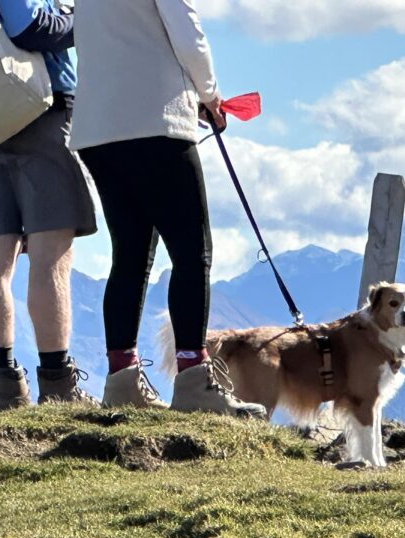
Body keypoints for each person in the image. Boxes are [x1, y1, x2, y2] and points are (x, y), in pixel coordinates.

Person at [69, 0, 267, 418]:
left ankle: (121, 378)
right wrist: (209, 95)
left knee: (131, 254)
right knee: (193, 252)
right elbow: (187, 33)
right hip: (156, 121)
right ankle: (194, 378)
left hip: (96, 128)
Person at [0, 0, 98, 413]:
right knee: (50, 254)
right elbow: (29, 27)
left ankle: (5, 387)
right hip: (38, 105)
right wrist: (85, 19)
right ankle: (59, 383)